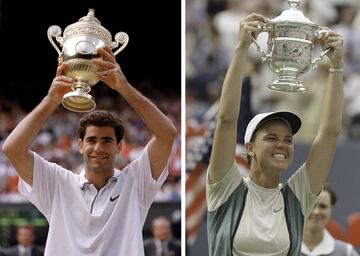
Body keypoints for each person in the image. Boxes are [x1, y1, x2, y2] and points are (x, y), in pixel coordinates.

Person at [1, 47, 177, 256]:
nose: (98, 148)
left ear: (119, 146)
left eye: (107, 140)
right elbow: (13, 148)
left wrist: (124, 87)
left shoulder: (135, 182)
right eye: (92, 140)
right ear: (80, 145)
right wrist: (51, 99)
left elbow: (166, 134)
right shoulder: (58, 183)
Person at [206, 13, 344, 255]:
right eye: (271, 138)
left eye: (288, 140)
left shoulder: (297, 197)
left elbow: (330, 132)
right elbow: (226, 120)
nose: (282, 145)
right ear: (249, 147)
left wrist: (336, 67)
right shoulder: (225, 188)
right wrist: (241, 48)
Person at [302, 183, 359, 256]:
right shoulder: (284, 248)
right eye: (311, 205)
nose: (316, 212)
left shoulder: (346, 252)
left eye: (323, 206)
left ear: (330, 209)